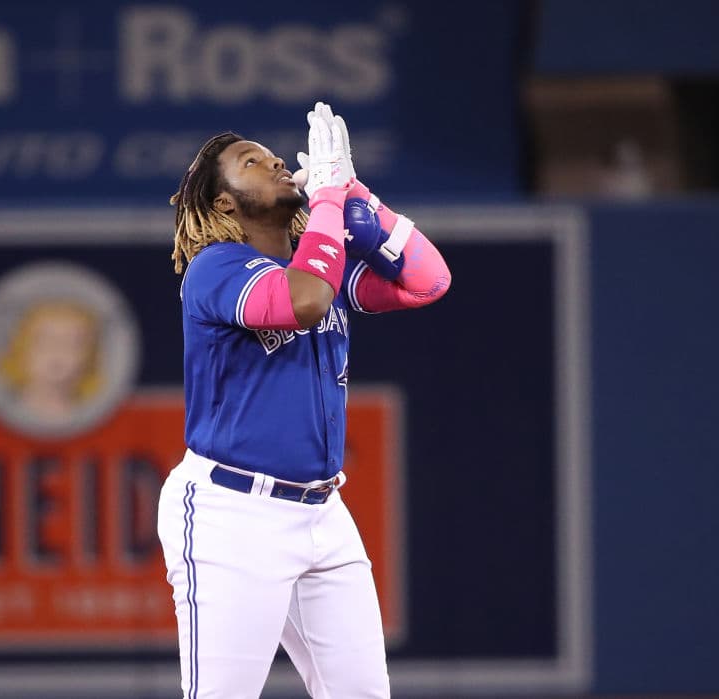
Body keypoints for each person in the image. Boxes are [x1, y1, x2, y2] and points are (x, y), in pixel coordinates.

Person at [157, 102, 451, 698]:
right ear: (224, 204)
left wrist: (358, 200)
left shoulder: (318, 261)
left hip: (322, 513)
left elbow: (428, 280)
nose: (273, 162)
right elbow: (306, 300)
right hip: (231, 514)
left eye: (271, 155)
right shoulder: (215, 268)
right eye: (250, 162)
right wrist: (329, 202)